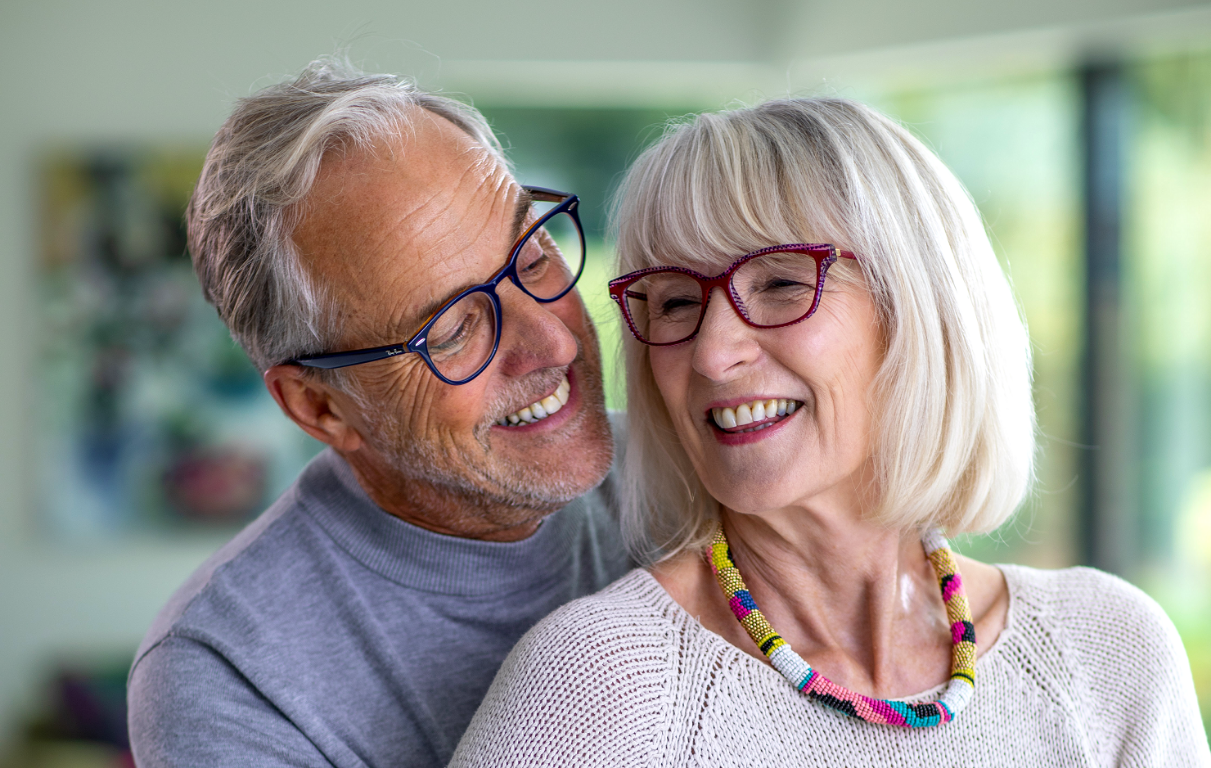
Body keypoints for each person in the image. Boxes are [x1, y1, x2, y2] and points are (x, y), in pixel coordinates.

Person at [449, 98, 1211, 765]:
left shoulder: (1107, 652)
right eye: (675, 303)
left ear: (919, 312)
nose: (712, 353)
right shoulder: (600, 682)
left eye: (779, 283)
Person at [126, 58, 630, 768]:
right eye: (453, 329)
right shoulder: (229, 678)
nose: (551, 341)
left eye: (534, 254)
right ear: (322, 406)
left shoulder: (702, 478)